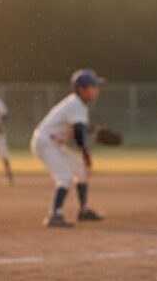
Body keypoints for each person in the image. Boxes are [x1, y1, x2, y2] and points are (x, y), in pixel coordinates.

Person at [30, 69, 105, 227]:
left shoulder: (78, 105)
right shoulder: (76, 104)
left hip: (53, 143)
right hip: (45, 143)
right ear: (82, 89)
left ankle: (83, 211)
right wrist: (86, 154)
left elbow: (79, 130)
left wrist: (90, 133)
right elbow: (78, 133)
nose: (97, 90)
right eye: (93, 86)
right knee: (65, 177)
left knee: (82, 172)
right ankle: (54, 215)